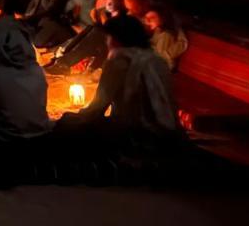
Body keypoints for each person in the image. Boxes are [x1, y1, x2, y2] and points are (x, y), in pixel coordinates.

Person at [57, 14, 182, 145]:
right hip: (170, 133)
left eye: (108, 38)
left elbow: (96, 110)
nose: (106, 42)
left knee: (66, 127)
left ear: (116, 39)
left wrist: (69, 119)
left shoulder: (119, 61)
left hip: (139, 136)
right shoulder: (158, 60)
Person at [144, 4, 188, 69]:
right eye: (146, 18)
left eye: (152, 17)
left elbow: (182, 43)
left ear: (162, 17)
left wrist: (168, 54)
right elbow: (154, 44)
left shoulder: (167, 33)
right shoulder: (158, 29)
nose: (148, 21)